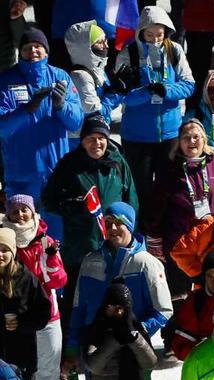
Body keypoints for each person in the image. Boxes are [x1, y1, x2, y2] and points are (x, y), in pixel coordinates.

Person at [41, 114, 137, 315]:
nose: (97, 143)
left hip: (113, 244)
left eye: (101, 138)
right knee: (76, 296)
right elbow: (49, 200)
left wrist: (129, 229)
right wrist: (71, 208)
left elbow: (132, 199)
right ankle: (72, 341)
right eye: (91, 138)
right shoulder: (69, 165)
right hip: (80, 244)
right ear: (82, 141)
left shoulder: (118, 162)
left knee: (114, 298)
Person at [64, 202, 171, 365]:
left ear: (130, 225)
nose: (112, 228)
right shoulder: (90, 261)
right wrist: (72, 347)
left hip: (134, 350)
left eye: (119, 222)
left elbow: (163, 310)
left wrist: (137, 332)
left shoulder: (146, 263)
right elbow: (79, 309)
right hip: (96, 350)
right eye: (108, 222)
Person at [143, 120, 214, 294]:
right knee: (181, 295)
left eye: (196, 137)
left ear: (204, 140)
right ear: (179, 142)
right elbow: (156, 208)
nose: (192, 141)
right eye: (186, 137)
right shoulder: (169, 170)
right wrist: (154, 238)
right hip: (180, 246)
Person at [113, 7, 196, 201]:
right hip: (137, 137)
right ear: (140, 32)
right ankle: (141, 227)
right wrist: (147, 91)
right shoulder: (129, 54)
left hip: (169, 134)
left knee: (167, 188)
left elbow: (189, 85)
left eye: (160, 34)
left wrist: (166, 90)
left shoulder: (174, 50)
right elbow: (124, 96)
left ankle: (163, 229)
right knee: (140, 190)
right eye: (149, 34)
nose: (155, 39)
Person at [0, 28, 84, 217]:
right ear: (20, 52)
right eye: (28, 47)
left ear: (46, 51)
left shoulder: (60, 77)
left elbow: (76, 122)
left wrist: (61, 106)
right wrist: (26, 110)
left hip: (56, 175)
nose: (33, 51)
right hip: (21, 178)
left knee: (55, 242)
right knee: (23, 238)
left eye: (38, 46)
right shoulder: (5, 81)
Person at [3, 194, 66, 380]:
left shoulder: (46, 241)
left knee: (49, 374)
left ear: (33, 212)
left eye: (24, 210)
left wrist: (50, 257)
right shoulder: (4, 242)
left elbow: (59, 280)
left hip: (47, 316)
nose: (20, 215)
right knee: (19, 374)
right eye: (14, 211)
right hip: (15, 321)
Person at [0, 224, 51, 380]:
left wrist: (22, 324)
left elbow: (44, 312)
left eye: (4, 250)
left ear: (13, 251)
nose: (0, 254)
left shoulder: (26, 278)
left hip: (22, 355)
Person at [63, 20, 120, 123]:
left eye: (105, 41)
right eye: (99, 42)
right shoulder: (80, 76)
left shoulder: (100, 69)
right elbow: (94, 111)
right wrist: (117, 94)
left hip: (98, 132)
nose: (106, 46)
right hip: (81, 136)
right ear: (85, 47)